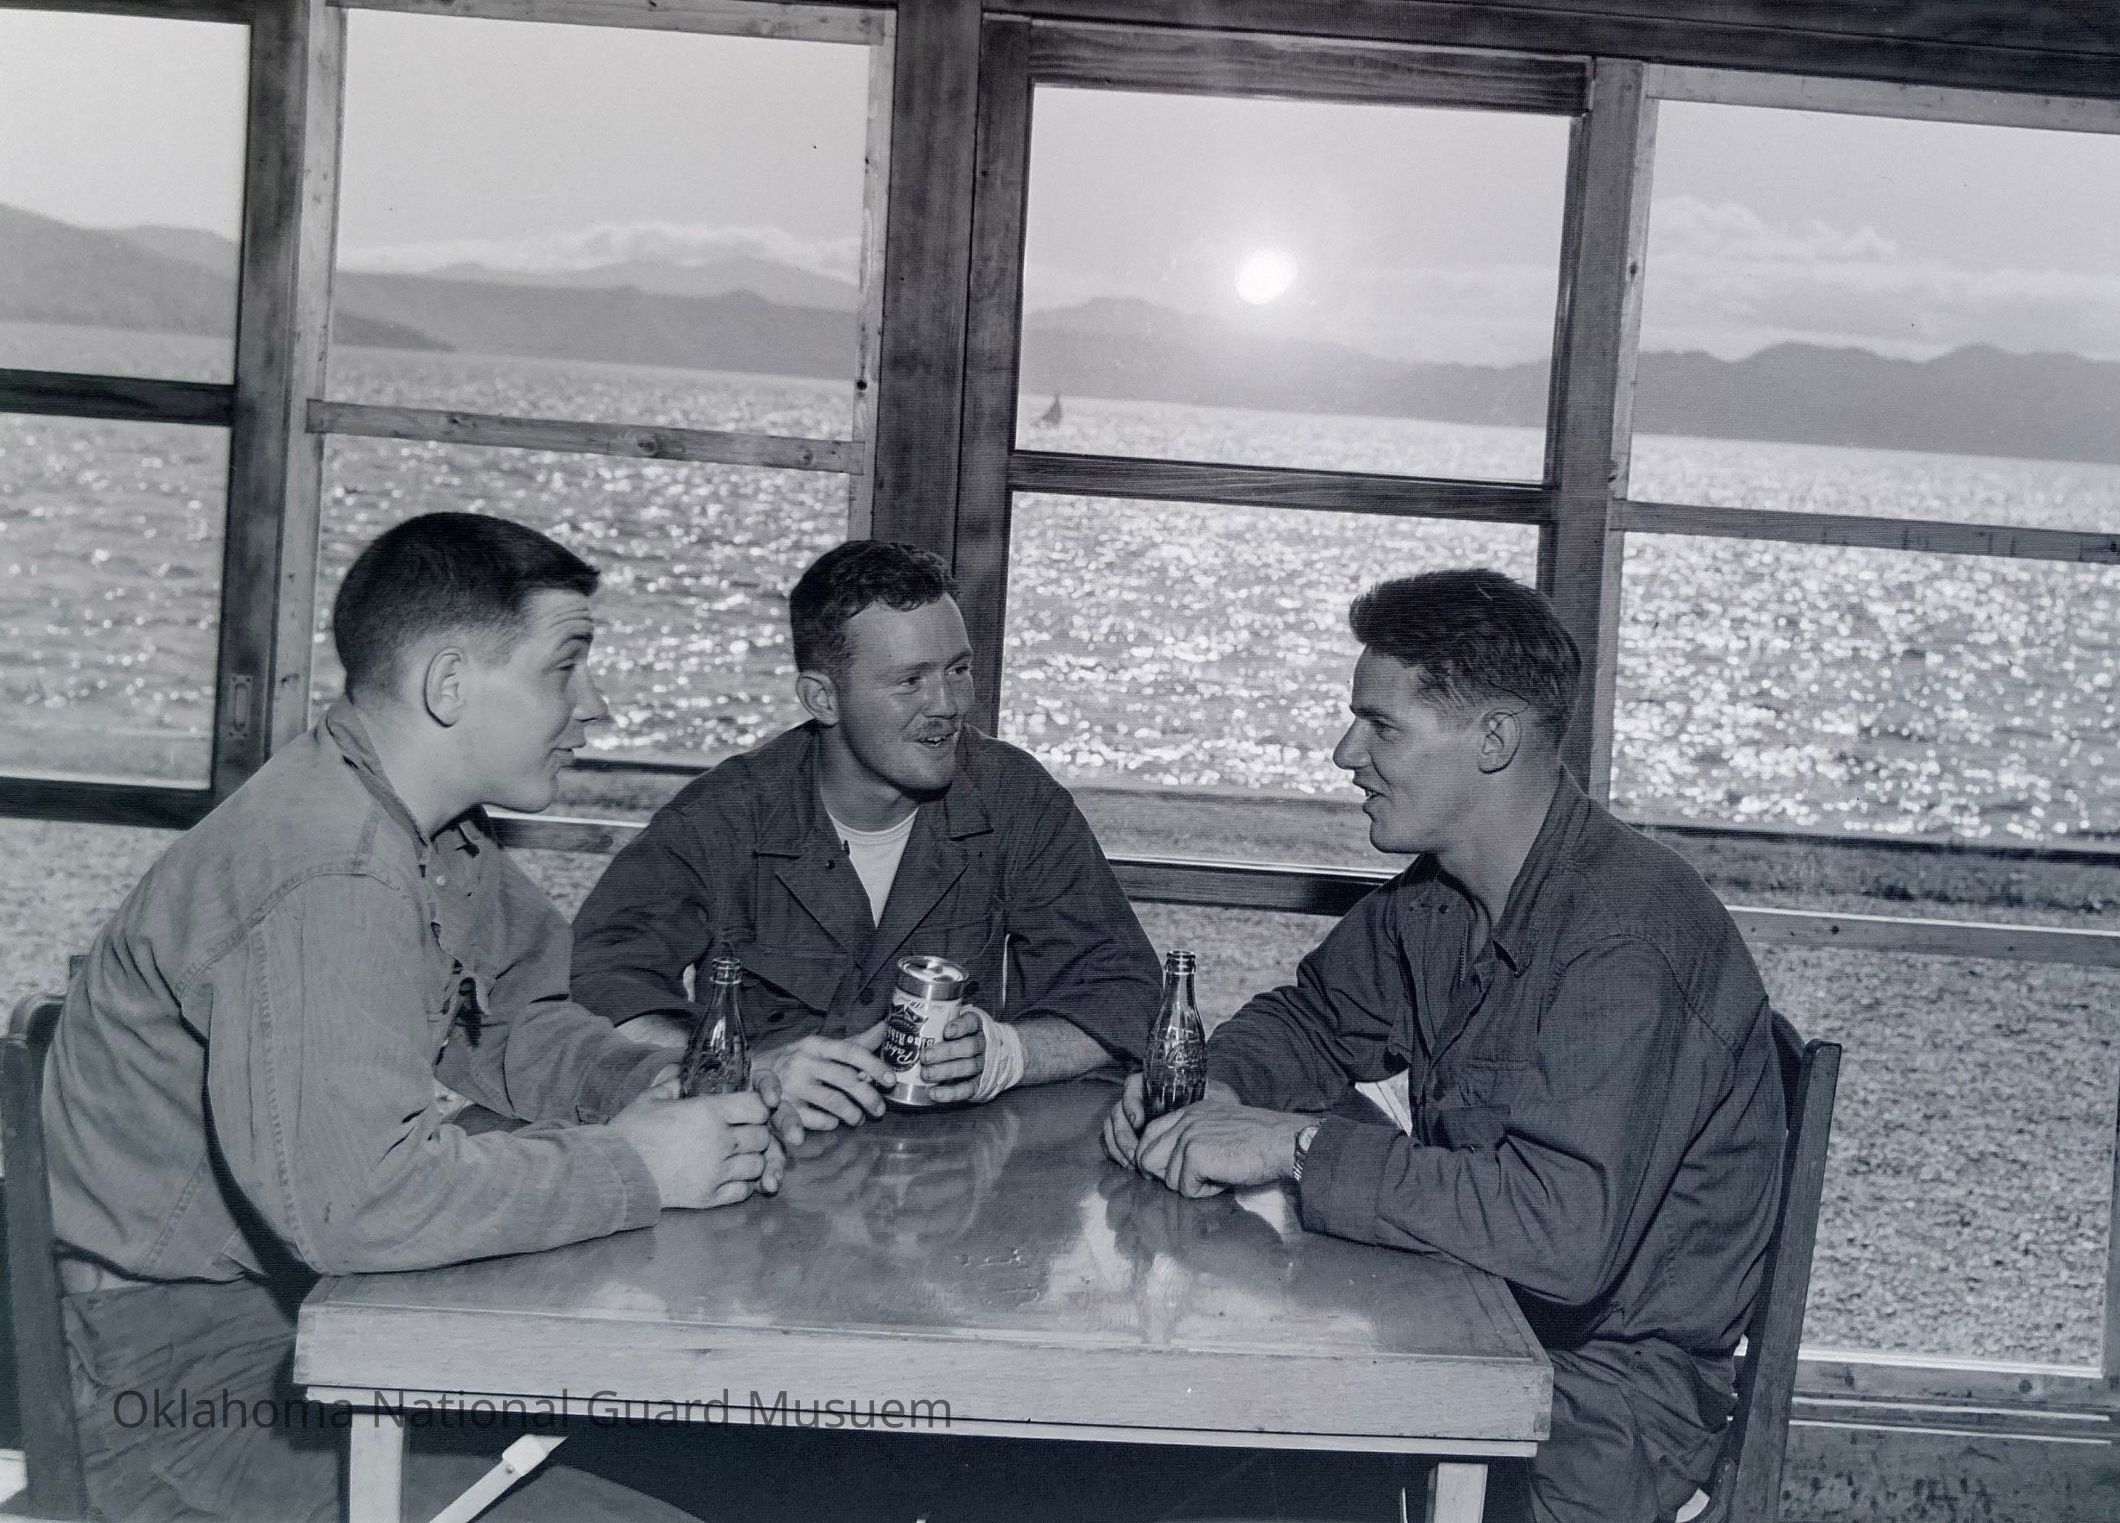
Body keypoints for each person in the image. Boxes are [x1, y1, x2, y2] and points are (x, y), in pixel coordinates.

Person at [42, 512, 780, 1523]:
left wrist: (650, 1087)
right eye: (566, 667)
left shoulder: (424, 831)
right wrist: (640, 1167)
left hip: (296, 1318)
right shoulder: (332, 870)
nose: (596, 705)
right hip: (175, 1388)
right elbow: (362, 1207)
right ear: (448, 685)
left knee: (705, 1463)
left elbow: (513, 1024)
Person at [1104, 568, 1786, 1523]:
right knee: (1183, 1447)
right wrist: (1207, 1092)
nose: (1345, 753)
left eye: (1381, 727)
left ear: (1494, 741)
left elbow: (1561, 1237)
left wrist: (1296, 1147)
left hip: (1601, 1412)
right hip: (1476, 1323)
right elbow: (1314, 1018)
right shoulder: (1446, 896)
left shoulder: (1625, 943)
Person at [573, 539, 1159, 1141]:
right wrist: (734, 1068)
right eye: (910, 681)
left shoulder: (1015, 798)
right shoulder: (723, 815)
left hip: (949, 1163)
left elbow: (1129, 994)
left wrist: (1012, 1054)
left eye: (958, 670)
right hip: (764, 1154)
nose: (948, 705)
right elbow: (591, 987)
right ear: (822, 699)